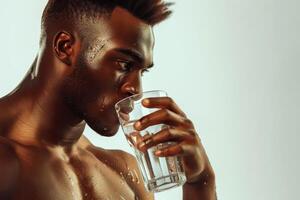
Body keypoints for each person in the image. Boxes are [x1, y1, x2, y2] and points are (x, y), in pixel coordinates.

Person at [0, 0, 216, 199]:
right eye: (124, 64)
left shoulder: (122, 171)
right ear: (65, 47)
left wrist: (200, 182)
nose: (136, 89)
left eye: (142, 72)